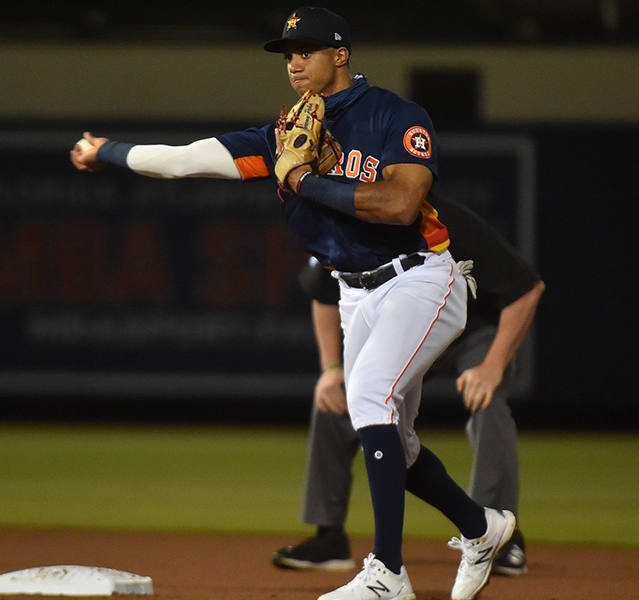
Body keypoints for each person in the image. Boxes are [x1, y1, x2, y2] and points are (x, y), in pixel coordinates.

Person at [71, 7, 517, 599]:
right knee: (394, 440)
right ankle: (482, 528)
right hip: (355, 294)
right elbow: (184, 160)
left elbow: (402, 205)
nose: (294, 62)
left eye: (306, 49)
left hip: (422, 279)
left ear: (341, 55)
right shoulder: (279, 138)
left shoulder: (394, 115)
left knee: (365, 398)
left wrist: (303, 179)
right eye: (287, 53)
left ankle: (387, 573)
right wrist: (105, 151)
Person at [272, 193, 544, 578]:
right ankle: (328, 537)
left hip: (470, 329)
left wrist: (493, 365)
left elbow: (526, 288)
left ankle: (500, 536)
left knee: (488, 401)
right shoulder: (354, 220)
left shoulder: (450, 219)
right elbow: (323, 293)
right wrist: (332, 368)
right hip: (403, 320)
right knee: (338, 397)